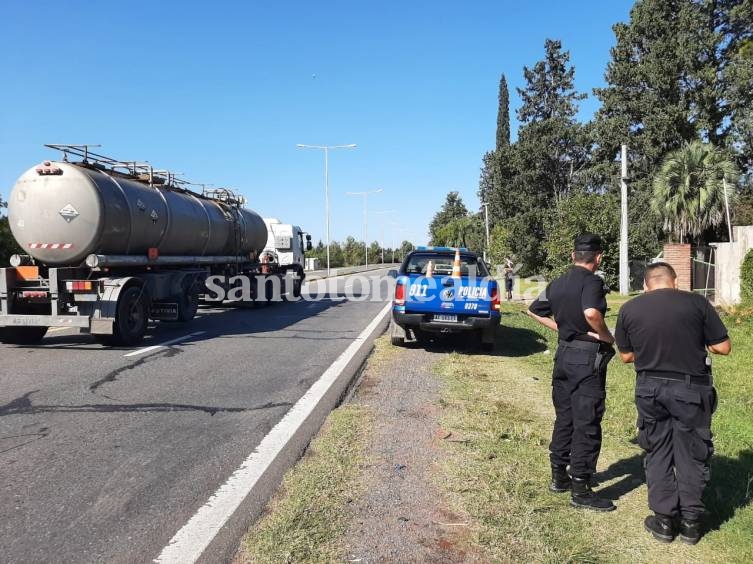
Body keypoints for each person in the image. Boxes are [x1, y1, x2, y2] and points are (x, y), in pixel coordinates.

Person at [615, 262, 731, 544]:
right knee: (692, 452)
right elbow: (723, 347)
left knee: (657, 450)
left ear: (645, 285)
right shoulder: (697, 303)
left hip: (650, 389)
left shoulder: (630, 309)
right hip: (691, 389)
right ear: (675, 281)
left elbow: (626, 357)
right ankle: (691, 522)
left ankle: (664, 521)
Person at [527, 233, 616, 511]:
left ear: (572, 255)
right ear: (598, 257)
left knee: (564, 417)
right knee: (586, 421)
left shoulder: (558, 282)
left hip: (564, 354)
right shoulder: (592, 282)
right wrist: (606, 337)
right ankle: (581, 490)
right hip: (586, 358)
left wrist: (562, 329)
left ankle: (558, 476)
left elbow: (533, 310)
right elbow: (591, 312)